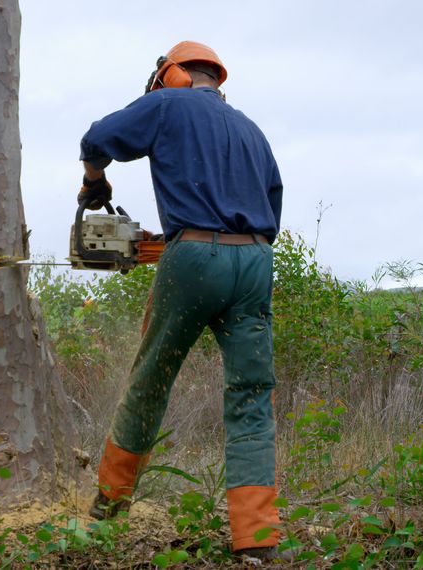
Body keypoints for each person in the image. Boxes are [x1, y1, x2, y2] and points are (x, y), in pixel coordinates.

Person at [78, 41, 285, 561]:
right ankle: (257, 541)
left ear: (171, 75)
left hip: (193, 260)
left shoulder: (168, 104)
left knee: (150, 380)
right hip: (256, 264)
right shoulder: (251, 130)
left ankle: (106, 511)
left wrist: (94, 182)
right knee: (251, 397)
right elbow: (270, 208)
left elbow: (96, 138)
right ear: (215, 78)